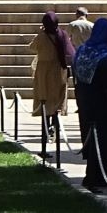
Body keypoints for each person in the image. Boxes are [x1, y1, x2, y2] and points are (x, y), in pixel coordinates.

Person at [73, 17, 107, 188]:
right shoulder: (104, 57)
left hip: (85, 105)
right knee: (102, 143)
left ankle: (93, 174)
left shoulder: (81, 51)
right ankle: (98, 176)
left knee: (91, 142)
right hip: (103, 109)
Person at [29, 12, 72, 140]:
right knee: (56, 97)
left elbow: (32, 47)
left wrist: (40, 33)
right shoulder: (61, 35)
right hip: (58, 70)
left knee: (44, 97)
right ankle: (55, 123)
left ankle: (46, 126)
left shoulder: (41, 36)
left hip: (43, 71)